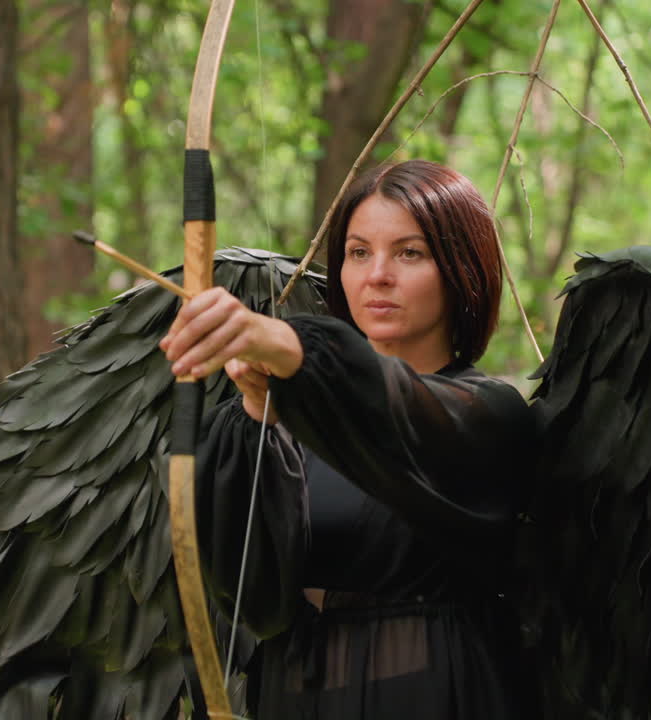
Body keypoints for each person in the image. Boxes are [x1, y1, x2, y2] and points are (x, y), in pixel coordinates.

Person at [160, 160, 540, 719]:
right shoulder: (280, 415)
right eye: (358, 252)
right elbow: (254, 600)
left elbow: (395, 411)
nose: (377, 275)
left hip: (436, 697)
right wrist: (260, 413)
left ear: (462, 269)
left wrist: (291, 347)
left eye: (409, 253)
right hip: (293, 699)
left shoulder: (487, 413)